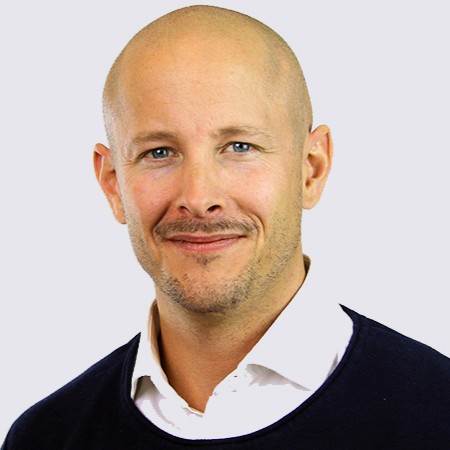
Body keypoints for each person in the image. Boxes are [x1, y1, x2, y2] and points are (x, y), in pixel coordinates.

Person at [2, 5, 449, 449]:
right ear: (112, 183)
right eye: (159, 153)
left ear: (311, 169)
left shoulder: (437, 413)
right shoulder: (45, 439)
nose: (198, 197)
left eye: (239, 147)